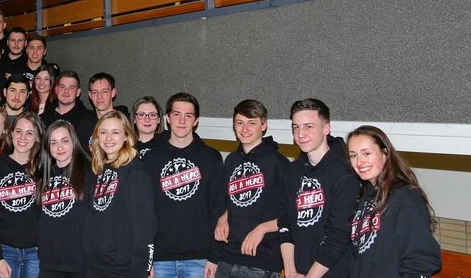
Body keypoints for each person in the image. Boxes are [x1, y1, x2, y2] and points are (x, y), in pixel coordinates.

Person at [141, 93, 225, 278]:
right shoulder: (150, 159)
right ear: (167, 118)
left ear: (196, 120)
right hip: (159, 259)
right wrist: (146, 259)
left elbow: (219, 210)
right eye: (176, 114)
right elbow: (143, 213)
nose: (182, 120)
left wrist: (214, 257)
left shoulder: (211, 158)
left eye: (188, 115)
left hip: (200, 259)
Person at [346, 125, 441, 278]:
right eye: (353, 156)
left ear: (385, 154)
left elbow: (421, 261)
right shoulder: (366, 194)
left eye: (366, 153)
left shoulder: (406, 198)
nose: (359, 162)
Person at [279, 99, 358, 278]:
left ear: (326, 128)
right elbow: (284, 223)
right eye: (296, 127)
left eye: (308, 127)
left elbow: (338, 236)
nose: (300, 134)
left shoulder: (346, 172)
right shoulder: (291, 171)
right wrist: (290, 271)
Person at [210, 99, 288, 278]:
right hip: (228, 257)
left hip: (262, 261)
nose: (244, 129)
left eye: (251, 123)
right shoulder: (231, 160)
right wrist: (223, 218)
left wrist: (262, 229)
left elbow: (292, 214)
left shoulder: (278, 162)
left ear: (264, 125)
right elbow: (229, 201)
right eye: (240, 122)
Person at [83, 111, 156, 278]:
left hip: (122, 269)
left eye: (115, 132)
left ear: (126, 137)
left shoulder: (135, 172)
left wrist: (141, 270)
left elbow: (145, 227)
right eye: (103, 132)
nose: (108, 138)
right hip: (93, 266)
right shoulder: (97, 170)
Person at [0, 112, 45, 278]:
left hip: (36, 252)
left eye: (29, 133)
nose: (22, 137)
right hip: (5, 252)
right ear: (11, 134)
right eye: (18, 131)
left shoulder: (43, 169)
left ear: (37, 138)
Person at [37, 120, 90, 278]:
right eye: (53, 143)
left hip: (81, 262)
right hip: (49, 262)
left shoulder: (90, 172)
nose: (59, 147)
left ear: (73, 142)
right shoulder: (43, 174)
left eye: (65, 141)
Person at [39, 71, 96, 148]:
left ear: (78, 92)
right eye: (62, 87)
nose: (66, 91)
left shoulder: (89, 119)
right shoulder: (42, 120)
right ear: (56, 90)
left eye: (71, 87)